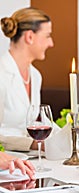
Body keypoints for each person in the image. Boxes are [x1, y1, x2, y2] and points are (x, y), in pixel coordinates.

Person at [0, 7, 54, 151]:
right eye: (47, 36)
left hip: (29, 160)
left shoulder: (35, 76)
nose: (51, 43)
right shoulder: (1, 75)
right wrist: (32, 144)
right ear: (30, 37)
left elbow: (37, 123)